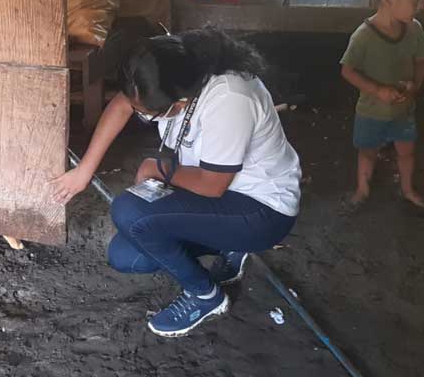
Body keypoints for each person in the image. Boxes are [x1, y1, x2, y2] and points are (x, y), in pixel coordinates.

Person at [50, 28, 301, 337]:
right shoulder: (173, 64)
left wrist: (159, 169)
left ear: (180, 103)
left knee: (130, 211)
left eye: (146, 113)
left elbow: (212, 184)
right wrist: (84, 171)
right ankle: (230, 245)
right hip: (215, 197)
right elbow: (122, 104)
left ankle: (206, 295)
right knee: (126, 256)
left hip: (259, 210)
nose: (140, 115)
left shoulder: (231, 98)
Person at [340, 0, 424, 210]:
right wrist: (377, 90)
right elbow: (347, 71)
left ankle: (408, 189)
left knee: (406, 151)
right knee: (367, 152)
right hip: (371, 112)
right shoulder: (363, 36)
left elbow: (423, 61)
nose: (422, 5)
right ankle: (362, 189)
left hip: (404, 110)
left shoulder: (414, 29)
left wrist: (415, 86)